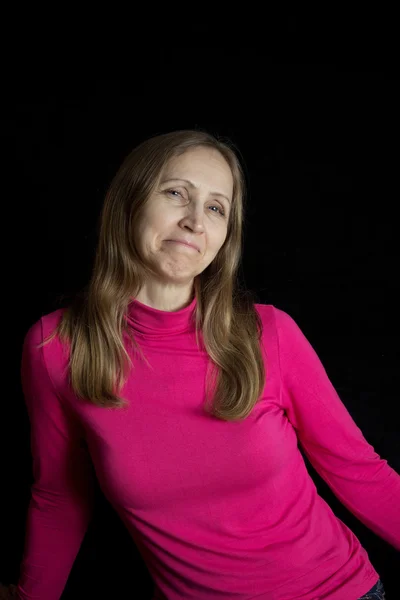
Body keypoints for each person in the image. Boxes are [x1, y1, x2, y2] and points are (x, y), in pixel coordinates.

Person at [6, 130, 397, 599]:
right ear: (128, 202)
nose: (194, 221)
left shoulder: (267, 334)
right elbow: (60, 499)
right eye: (176, 193)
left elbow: (359, 470)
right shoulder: (55, 347)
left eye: (216, 208)